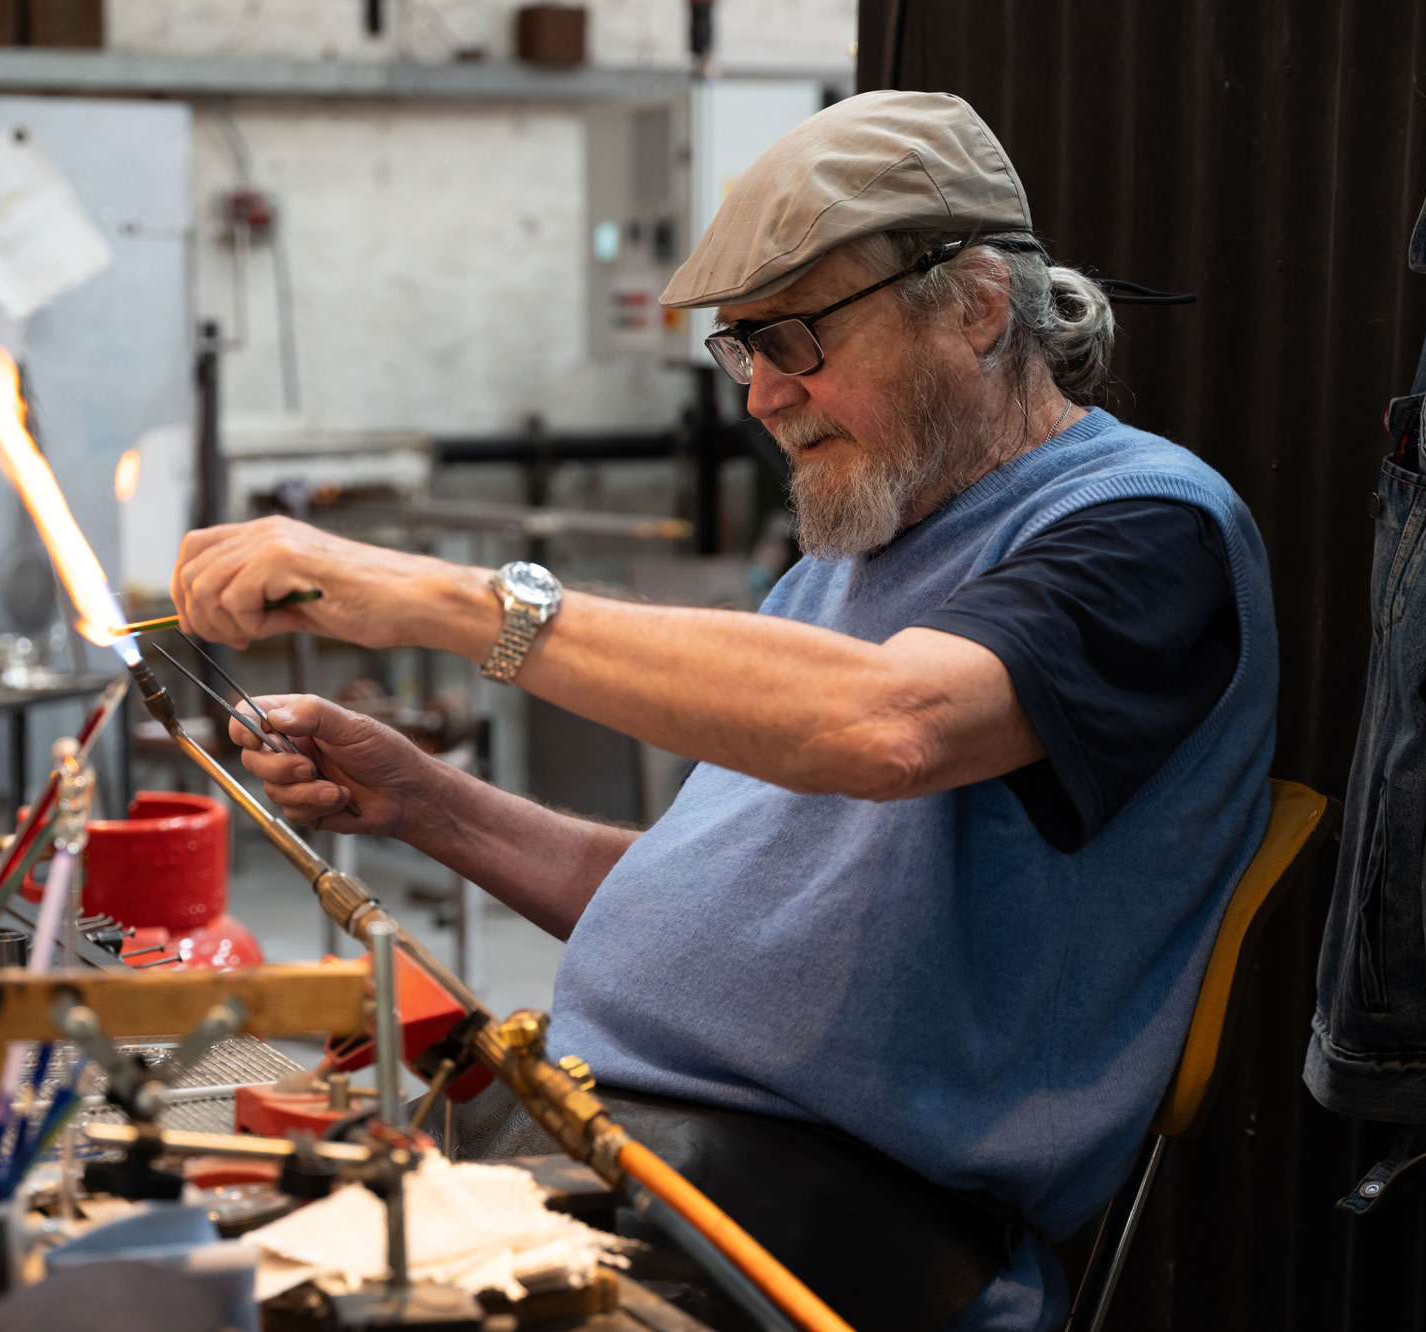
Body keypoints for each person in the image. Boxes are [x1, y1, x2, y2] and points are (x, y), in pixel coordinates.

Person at [168, 91, 1276, 1332]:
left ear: (973, 306)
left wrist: (453, 602)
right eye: (740, 349)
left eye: (795, 338)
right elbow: (708, 896)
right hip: (584, 1131)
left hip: (815, 1215)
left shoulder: (1140, 530)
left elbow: (893, 729)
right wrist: (427, 804)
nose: (760, 398)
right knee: (165, 1183)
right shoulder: (840, 566)